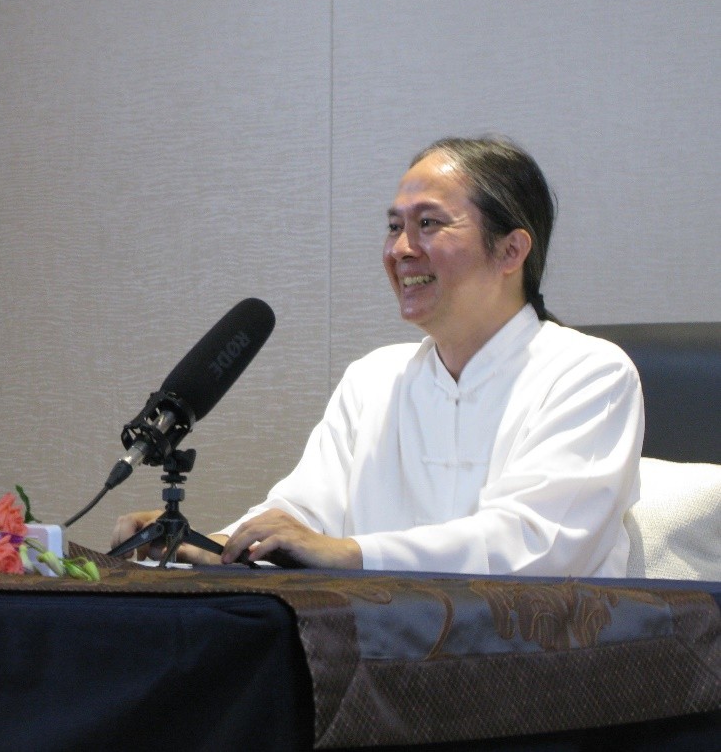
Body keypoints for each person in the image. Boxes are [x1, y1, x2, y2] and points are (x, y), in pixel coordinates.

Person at [112, 136, 644, 577]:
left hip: (544, 678)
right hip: (377, 662)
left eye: (428, 224)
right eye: (394, 226)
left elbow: (536, 547)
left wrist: (352, 553)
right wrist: (207, 545)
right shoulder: (374, 379)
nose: (400, 250)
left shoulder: (590, 374)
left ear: (511, 250)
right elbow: (302, 514)